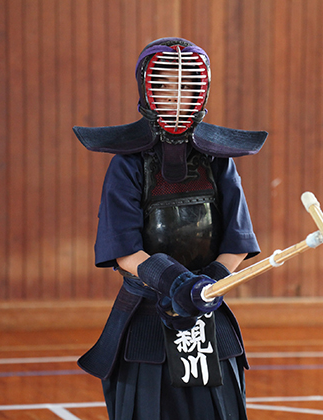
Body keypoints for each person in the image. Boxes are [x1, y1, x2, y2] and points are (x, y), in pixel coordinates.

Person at [72, 37, 267, 420]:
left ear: (200, 91)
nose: (176, 97)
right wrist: (177, 284)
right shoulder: (127, 165)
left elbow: (236, 241)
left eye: (186, 86)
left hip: (209, 317)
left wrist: (207, 285)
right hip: (146, 317)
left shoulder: (218, 162)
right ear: (148, 90)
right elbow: (125, 250)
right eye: (165, 86)